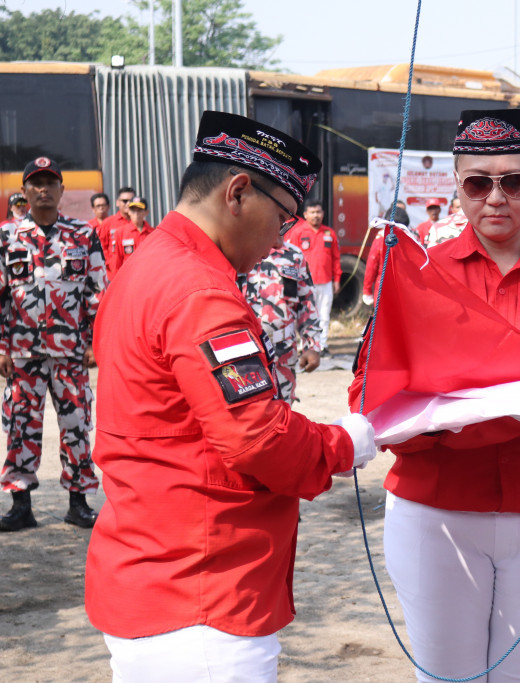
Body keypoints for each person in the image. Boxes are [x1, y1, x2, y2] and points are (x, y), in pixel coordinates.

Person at [83, 111, 375, 681]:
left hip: (150, 566)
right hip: (202, 593)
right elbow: (258, 436)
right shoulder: (201, 291)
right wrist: (344, 444)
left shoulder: (149, 264)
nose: (281, 241)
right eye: (283, 219)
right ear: (238, 192)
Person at [366, 108, 520, 683]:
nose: (496, 197)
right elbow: (371, 392)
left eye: (514, 181)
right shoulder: (419, 274)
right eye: (478, 182)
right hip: (436, 513)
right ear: (457, 186)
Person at [0, 157, 107, 531]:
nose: (43, 189)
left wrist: (96, 344)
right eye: (35, 183)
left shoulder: (84, 235)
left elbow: (98, 294)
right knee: (20, 425)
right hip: (22, 352)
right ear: (25, 191)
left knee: (76, 425)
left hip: (71, 353)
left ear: (62, 190)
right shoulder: (6, 236)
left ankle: (78, 502)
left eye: (50, 183)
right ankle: (20, 505)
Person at [240, 241, 323, 402]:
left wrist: (311, 346)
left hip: (282, 348)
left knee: (283, 408)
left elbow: (307, 303)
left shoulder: (294, 256)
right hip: (246, 350)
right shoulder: (239, 250)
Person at [285, 199, 340, 351]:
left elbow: (336, 258)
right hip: (305, 283)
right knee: (305, 315)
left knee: (324, 315)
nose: (316, 215)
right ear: (305, 214)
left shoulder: (329, 233)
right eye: (313, 212)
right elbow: (291, 258)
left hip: (326, 282)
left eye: (318, 212)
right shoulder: (298, 232)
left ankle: (321, 345)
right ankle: (307, 345)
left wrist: (337, 280)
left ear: (323, 214)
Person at [362, 206, 411, 306]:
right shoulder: (409, 239)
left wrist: (367, 291)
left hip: (389, 287)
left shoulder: (381, 237)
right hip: (398, 288)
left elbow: (371, 265)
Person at [107, 196, 155, 280]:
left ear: (146, 212)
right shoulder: (120, 233)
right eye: (133, 210)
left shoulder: (153, 233)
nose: (136, 214)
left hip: (149, 278)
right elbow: (116, 261)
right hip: (128, 279)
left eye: (139, 210)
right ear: (128, 212)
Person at [97, 186, 136, 272]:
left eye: (131, 201)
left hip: (135, 270)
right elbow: (101, 247)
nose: (128, 204)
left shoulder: (139, 224)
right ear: (117, 203)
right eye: (125, 201)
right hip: (114, 273)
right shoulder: (108, 223)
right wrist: (110, 263)